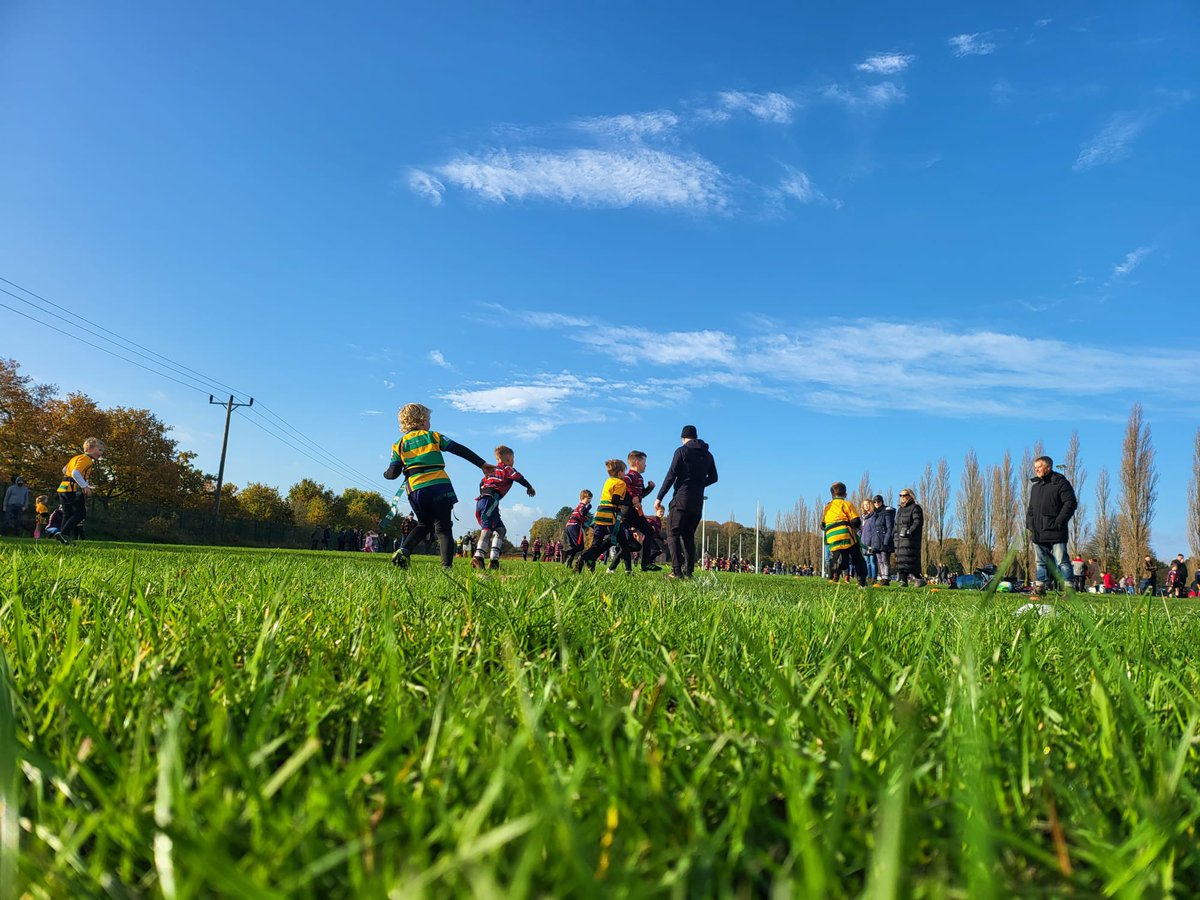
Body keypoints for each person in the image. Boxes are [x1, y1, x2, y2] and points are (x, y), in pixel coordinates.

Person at [384, 403, 492, 570]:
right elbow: (458, 449)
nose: (429, 423)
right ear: (421, 421)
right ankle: (446, 567)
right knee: (443, 527)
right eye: (428, 419)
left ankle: (403, 550)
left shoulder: (399, 444)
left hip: (416, 489)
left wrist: (385, 473)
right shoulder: (433, 436)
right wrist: (482, 464)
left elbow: (393, 474)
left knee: (423, 524)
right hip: (439, 486)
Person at [653, 425, 718, 580]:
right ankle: (688, 572)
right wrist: (699, 484)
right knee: (688, 536)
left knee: (672, 534)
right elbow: (714, 478)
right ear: (695, 437)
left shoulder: (681, 451)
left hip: (681, 500)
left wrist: (659, 497)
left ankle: (676, 571)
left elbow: (671, 476)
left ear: (683, 438)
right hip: (697, 503)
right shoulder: (708, 455)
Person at [471, 445, 535, 571]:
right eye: (513, 458)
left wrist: (485, 498)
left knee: (501, 530)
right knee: (487, 529)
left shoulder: (490, 471)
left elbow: (481, 483)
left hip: (484, 500)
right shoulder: (507, 468)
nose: (513, 461)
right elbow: (518, 477)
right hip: (490, 500)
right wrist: (529, 486)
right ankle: (478, 557)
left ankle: (494, 561)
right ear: (507, 458)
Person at [1025, 455, 1078, 592]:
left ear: (1048, 467)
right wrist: (1030, 525)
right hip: (1038, 531)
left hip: (1055, 531)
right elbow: (1031, 509)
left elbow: (1070, 503)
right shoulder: (1035, 487)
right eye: (1035, 468)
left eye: (1039, 467)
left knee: (1062, 561)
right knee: (1040, 562)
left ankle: (1069, 587)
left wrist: (1059, 522)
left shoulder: (1060, 483)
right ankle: (1040, 586)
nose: (1036, 470)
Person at [574, 459, 633, 573]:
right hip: (611, 515)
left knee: (596, 543)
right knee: (624, 544)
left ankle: (583, 558)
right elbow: (615, 499)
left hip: (600, 513)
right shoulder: (621, 483)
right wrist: (630, 503)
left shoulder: (608, 481)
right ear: (620, 472)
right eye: (624, 472)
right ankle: (628, 571)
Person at [55, 438, 106, 544]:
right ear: (90, 448)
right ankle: (64, 533)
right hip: (72, 489)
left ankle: (64, 539)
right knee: (80, 513)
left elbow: (65, 470)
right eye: (100, 450)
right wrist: (84, 486)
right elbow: (75, 473)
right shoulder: (87, 459)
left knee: (67, 514)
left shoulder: (76, 457)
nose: (101, 453)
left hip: (63, 487)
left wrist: (85, 483)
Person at [620, 451, 662, 572]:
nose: (646, 465)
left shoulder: (639, 477)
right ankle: (590, 556)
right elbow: (621, 488)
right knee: (613, 539)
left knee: (649, 532)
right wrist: (630, 500)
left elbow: (641, 495)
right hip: (627, 511)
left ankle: (645, 563)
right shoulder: (630, 476)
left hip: (635, 511)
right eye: (644, 462)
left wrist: (650, 488)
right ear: (637, 462)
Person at [822, 482, 867, 588]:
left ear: (832, 494)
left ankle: (836, 565)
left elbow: (822, 525)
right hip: (845, 534)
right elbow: (856, 521)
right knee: (858, 558)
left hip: (832, 537)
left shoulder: (828, 507)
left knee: (841, 556)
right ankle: (862, 583)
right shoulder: (847, 504)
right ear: (845, 494)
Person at [894, 488, 924, 585]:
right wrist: (894, 536)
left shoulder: (915, 507)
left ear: (910, 496)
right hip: (899, 539)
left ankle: (919, 579)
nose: (902, 497)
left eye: (904, 495)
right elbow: (896, 524)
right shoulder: (900, 510)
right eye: (900, 495)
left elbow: (917, 522)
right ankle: (903, 580)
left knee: (910, 559)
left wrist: (909, 531)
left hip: (910, 539)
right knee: (901, 559)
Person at [868, 494, 895, 584]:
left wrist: (886, 540)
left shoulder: (886, 512)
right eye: (874, 502)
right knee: (879, 560)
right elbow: (872, 529)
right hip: (876, 541)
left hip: (884, 540)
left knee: (885, 560)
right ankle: (882, 576)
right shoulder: (874, 514)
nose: (876, 503)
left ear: (882, 502)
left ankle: (886, 578)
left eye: (878, 501)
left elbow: (890, 527)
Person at [562, 491, 593, 568]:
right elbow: (583, 513)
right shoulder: (582, 506)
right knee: (580, 547)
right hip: (575, 526)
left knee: (574, 546)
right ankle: (565, 553)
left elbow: (582, 517)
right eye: (588, 498)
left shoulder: (577, 507)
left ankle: (569, 564)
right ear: (583, 498)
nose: (589, 501)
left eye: (590, 499)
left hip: (569, 526)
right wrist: (589, 507)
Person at [858, 500, 878, 581]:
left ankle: (874, 578)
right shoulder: (863, 517)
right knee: (866, 561)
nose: (866, 506)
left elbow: (874, 530)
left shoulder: (874, 516)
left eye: (867, 504)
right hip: (863, 542)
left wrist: (873, 542)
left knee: (872, 561)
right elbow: (860, 529)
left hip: (871, 542)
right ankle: (868, 577)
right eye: (864, 505)